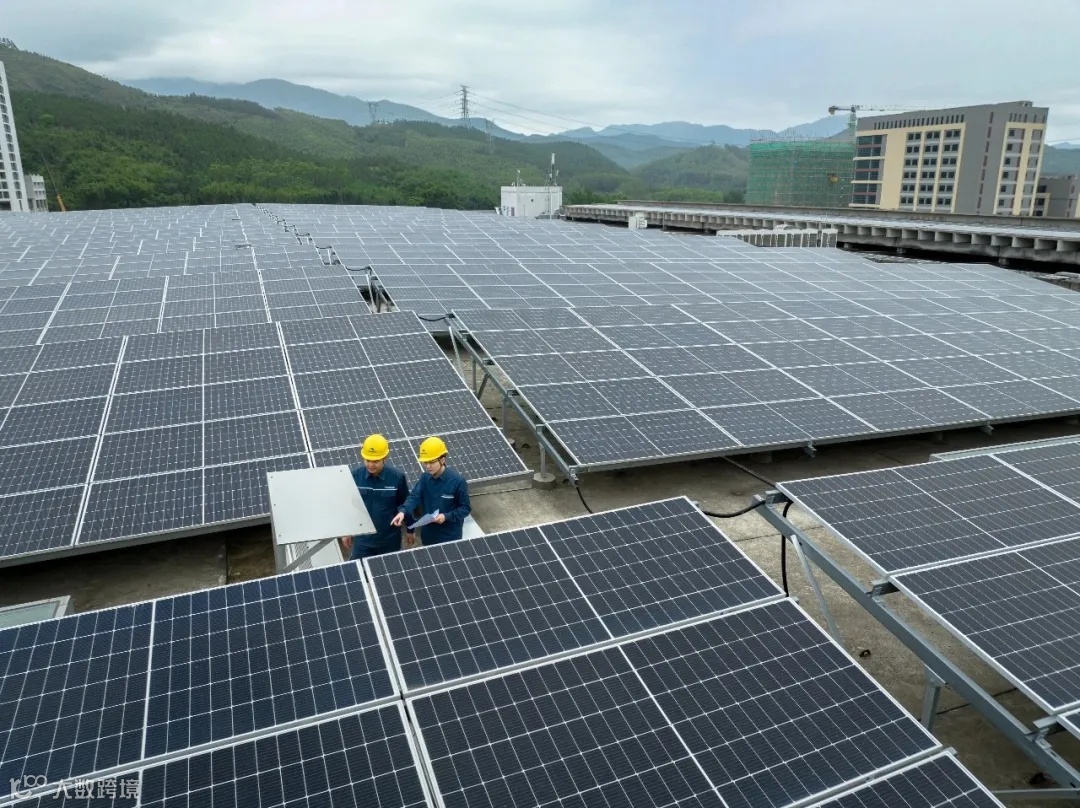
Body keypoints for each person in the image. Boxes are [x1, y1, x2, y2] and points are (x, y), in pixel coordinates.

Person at [340, 433, 414, 561]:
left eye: (375, 461)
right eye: (367, 460)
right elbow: (349, 506)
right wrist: (346, 531)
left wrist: (410, 529)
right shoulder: (355, 476)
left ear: (385, 457)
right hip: (363, 541)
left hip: (389, 541)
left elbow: (405, 504)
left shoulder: (397, 477)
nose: (370, 464)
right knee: (361, 570)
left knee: (389, 570)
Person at [390, 436, 470, 545]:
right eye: (425, 462)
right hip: (428, 535)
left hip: (449, 537)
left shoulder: (458, 481)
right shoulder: (425, 478)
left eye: (431, 462)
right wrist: (403, 511)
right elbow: (414, 497)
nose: (428, 466)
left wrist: (446, 516)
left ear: (442, 459)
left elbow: (465, 508)